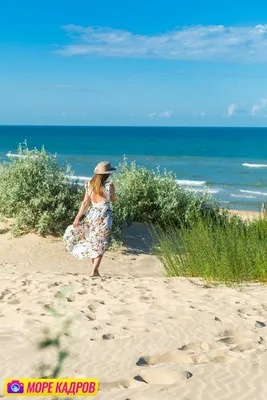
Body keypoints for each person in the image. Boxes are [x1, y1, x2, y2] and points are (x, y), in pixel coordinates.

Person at [63, 161, 116, 277]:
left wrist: (77, 218)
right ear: (107, 174)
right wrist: (112, 194)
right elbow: (113, 200)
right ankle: (94, 270)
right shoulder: (109, 186)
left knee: (92, 242)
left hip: (92, 215)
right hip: (104, 216)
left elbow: (85, 203)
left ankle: (95, 270)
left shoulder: (88, 185)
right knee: (101, 243)